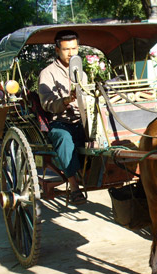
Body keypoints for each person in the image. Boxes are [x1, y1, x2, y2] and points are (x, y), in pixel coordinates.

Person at [38, 30, 88, 205]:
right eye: (66, 49)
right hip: (59, 123)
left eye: (74, 49)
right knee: (64, 138)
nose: (71, 53)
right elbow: (47, 104)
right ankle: (74, 188)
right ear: (57, 50)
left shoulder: (82, 73)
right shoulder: (47, 73)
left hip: (81, 121)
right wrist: (67, 100)